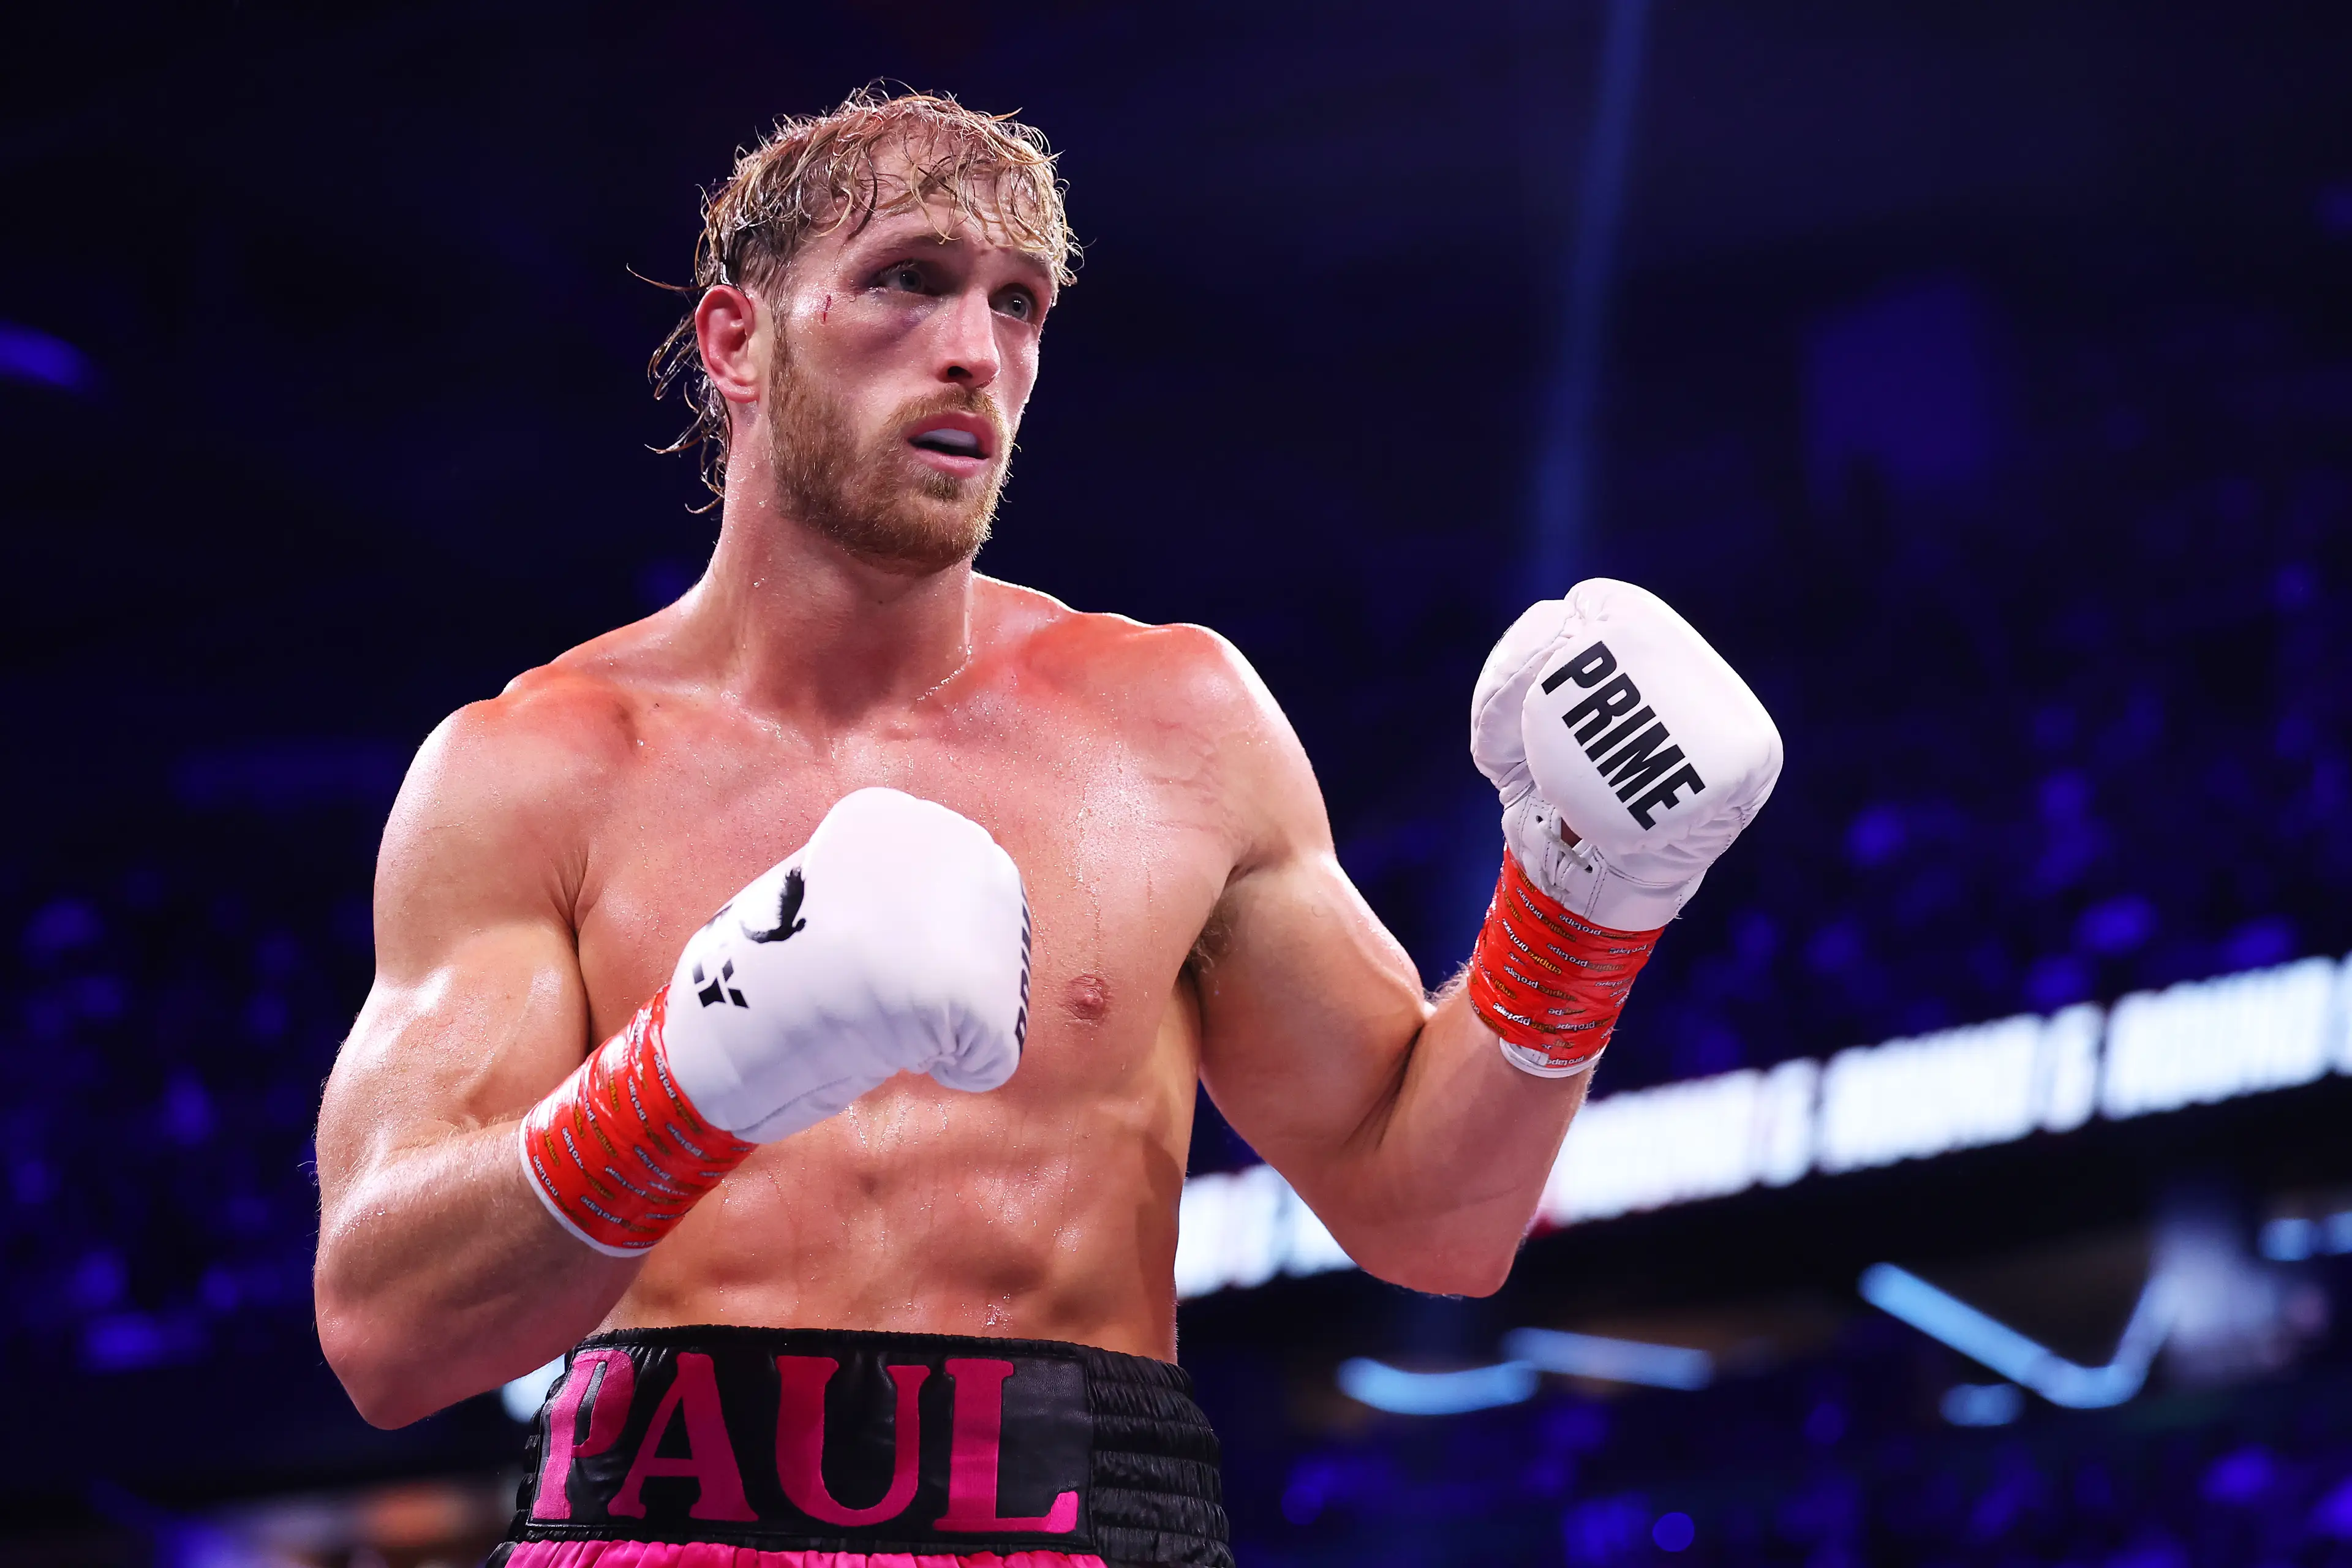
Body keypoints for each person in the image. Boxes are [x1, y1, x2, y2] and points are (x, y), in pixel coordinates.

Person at [311, 88, 1781, 1568]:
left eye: (1016, 302)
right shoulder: (537, 768)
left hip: (1085, 1525)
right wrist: (691, 1072)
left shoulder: (1174, 725)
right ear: (736, 342)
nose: (975, 348)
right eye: (908, 278)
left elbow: (1437, 1221)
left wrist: (1581, 910)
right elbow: (386, 1329)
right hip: (659, 1524)